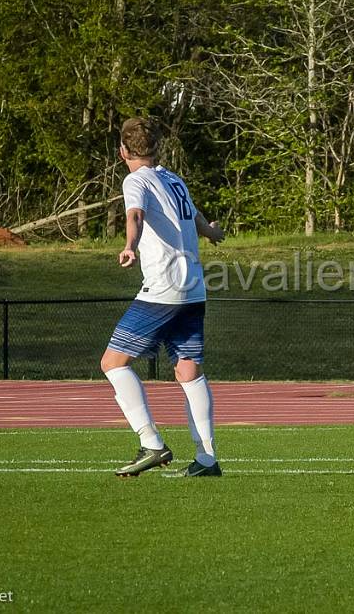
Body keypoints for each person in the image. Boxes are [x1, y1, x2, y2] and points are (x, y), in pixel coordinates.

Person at [100, 117, 226, 477]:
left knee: (112, 363)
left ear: (123, 151)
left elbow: (135, 215)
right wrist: (211, 233)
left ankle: (151, 443)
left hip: (164, 288)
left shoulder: (134, 179)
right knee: (189, 371)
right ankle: (206, 460)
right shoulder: (173, 178)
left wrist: (129, 246)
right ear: (157, 149)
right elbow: (196, 216)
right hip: (194, 288)